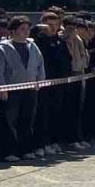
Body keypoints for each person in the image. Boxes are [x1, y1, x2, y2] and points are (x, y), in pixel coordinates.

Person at [0, 17, 45, 162]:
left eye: (27, 29)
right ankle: (9, 151)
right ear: (13, 30)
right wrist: (1, 88)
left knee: (27, 120)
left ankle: (26, 149)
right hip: (11, 89)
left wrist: (40, 82)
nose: (26, 32)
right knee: (9, 121)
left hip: (30, 89)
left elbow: (40, 65)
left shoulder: (33, 46)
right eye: (22, 29)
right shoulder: (3, 48)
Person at [32, 12, 69, 157]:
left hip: (57, 83)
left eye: (55, 25)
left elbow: (65, 60)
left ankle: (53, 141)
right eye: (49, 25)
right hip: (42, 82)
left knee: (56, 112)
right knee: (42, 114)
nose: (52, 28)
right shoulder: (38, 40)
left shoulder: (60, 41)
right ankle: (40, 143)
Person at [61, 16, 90, 151]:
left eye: (75, 28)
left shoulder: (79, 40)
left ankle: (78, 137)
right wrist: (68, 41)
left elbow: (84, 56)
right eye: (70, 28)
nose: (73, 31)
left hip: (80, 74)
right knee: (69, 109)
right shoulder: (63, 40)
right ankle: (70, 138)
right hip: (69, 76)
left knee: (78, 108)